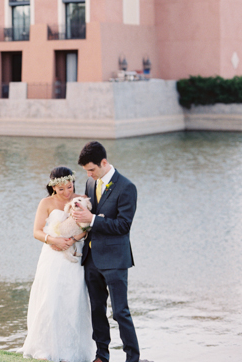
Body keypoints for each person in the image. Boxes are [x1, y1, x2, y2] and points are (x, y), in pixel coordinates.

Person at [72, 141, 140, 362]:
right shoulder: (91, 184)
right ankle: (102, 355)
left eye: (92, 169)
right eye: (86, 171)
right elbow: (87, 217)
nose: (90, 175)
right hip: (91, 258)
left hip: (115, 259)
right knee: (97, 310)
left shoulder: (127, 187)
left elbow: (123, 226)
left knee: (120, 312)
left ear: (104, 162)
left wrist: (92, 219)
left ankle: (132, 358)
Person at [20, 166, 95, 362]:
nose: (66, 192)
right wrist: (54, 241)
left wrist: (73, 238)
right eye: (61, 189)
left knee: (73, 301)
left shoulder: (82, 199)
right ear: (53, 187)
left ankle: (73, 353)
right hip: (52, 258)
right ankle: (46, 351)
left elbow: (87, 227)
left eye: (69, 187)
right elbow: (36, 231)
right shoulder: (46, 203)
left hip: (74, 257)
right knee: (50, 300)